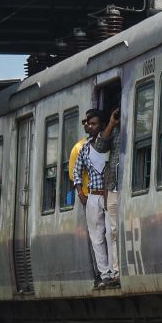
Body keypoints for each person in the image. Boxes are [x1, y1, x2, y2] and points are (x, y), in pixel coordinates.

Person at [72, 108, 118, 288]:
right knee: (97, 237)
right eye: (88, 124)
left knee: (110, 233)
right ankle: (104, 273)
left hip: (108, 193)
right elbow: (77, 171)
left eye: (94, 124)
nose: (90, 127)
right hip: (93, 196)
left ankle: (114, 271)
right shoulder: (83, 148)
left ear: (102, 125)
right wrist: (81, 193)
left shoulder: (110, 141)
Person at [91, 106, 122, 287]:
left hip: (129, 186)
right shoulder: (114, 130)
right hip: (114, 187)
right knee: (114, 230)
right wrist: (112, 123)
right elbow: (100, 148)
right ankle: (117, 271)